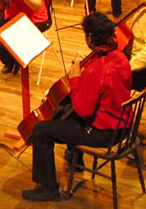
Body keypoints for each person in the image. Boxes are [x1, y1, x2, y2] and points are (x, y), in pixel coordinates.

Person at [21, 12, 132, 202]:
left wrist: (75, 77)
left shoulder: (97, 69)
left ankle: (48, 189)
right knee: (67, 114)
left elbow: (84, 110)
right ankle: (76, 159)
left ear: (90, 37)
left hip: (104, 132)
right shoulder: (120, 58)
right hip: (124, 124)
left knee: (41, 130)